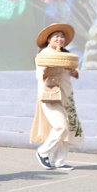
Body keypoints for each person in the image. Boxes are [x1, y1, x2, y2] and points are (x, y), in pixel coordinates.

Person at [31, 24, 83, 170]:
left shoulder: (67, 55)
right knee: (61, 126)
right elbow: (40, 76)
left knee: (69, 128)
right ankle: (43, 152)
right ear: (48, 39)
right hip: (50, 94)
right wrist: (50, 65)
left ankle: (59, 161)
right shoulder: (43, 55)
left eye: (62, 36)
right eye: (56, 36)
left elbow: (76, 74)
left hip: (66, 94)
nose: (60, 39)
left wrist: (72, 70)